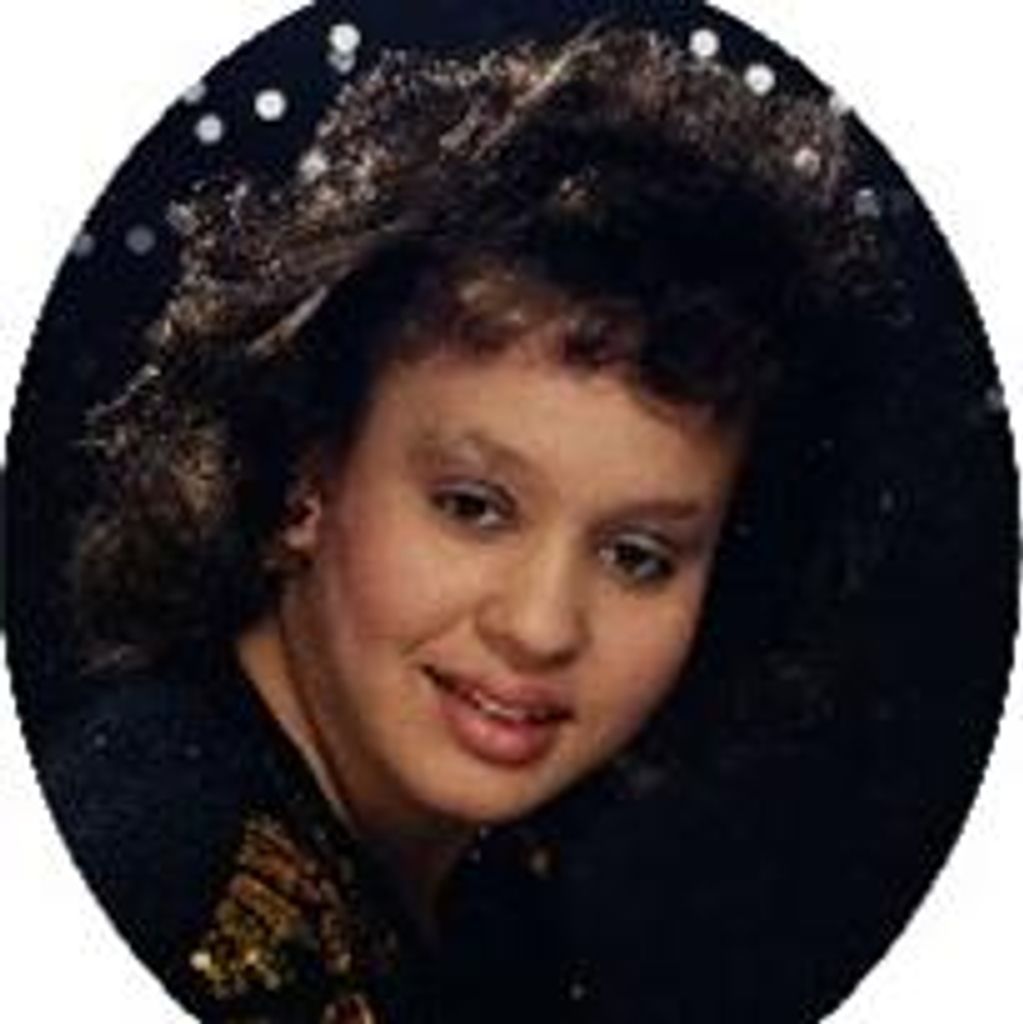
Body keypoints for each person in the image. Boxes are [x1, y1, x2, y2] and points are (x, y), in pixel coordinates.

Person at [38, 21, 890, 1024]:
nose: (541, 625)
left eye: (637, 555)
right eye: (473, 507)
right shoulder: (150, 879)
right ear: (305, 472)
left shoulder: (486, 881)